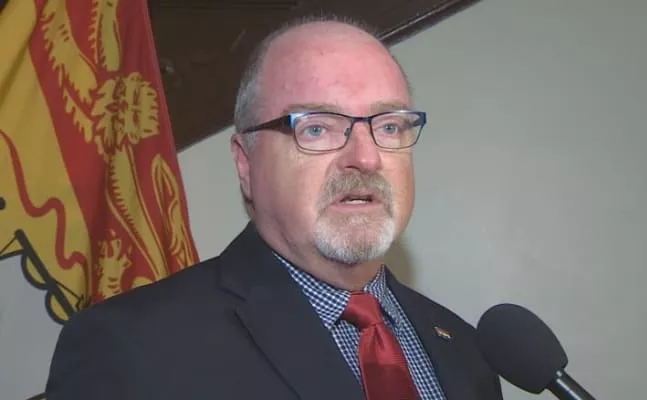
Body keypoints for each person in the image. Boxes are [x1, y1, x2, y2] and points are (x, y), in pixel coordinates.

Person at [45, 15, 503, 400]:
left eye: (388, 126)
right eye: (317, 128)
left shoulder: (468, 350)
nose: (366, 157)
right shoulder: (130, 349)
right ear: (245, 163)